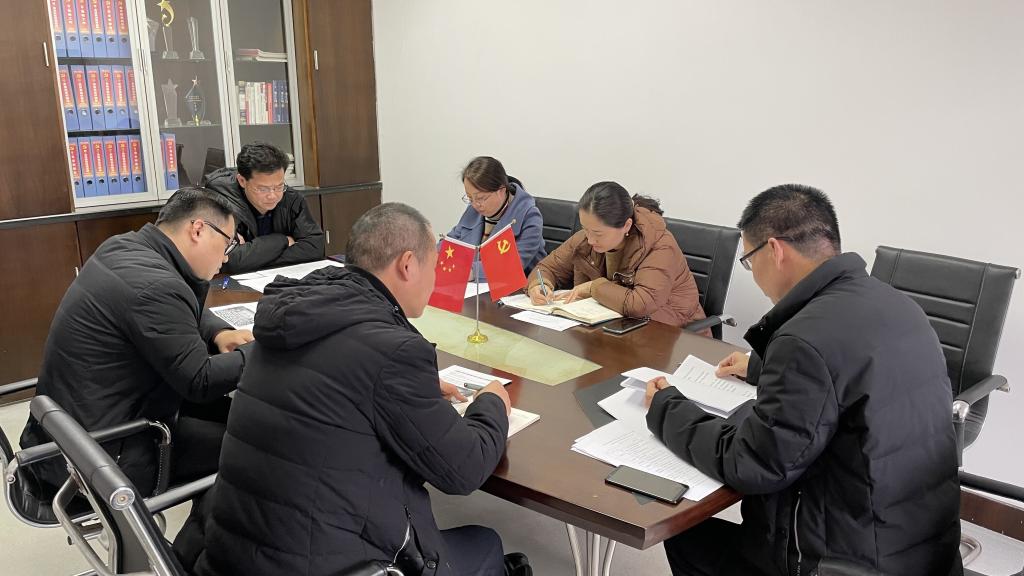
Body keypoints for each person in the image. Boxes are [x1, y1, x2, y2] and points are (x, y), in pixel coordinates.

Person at [184, 203, 519, 576]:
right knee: (487, 543)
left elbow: (337, 384)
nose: (437, 277)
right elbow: (464, 469)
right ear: (408, 265)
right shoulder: (392, 351)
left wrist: (411, 388)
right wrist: (491, 403)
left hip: (232, 555)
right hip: (319, 562)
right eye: (435, 265)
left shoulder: (293, 315)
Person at [645, 185, 961, 575]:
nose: (753, 275)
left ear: (774, 250)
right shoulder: (897, 305)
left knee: (685, 536)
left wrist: (667, 408)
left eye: (749, 261)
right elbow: (848, 372)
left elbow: (753, 464)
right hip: (924, 549)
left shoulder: (803, 339)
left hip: (839, 563)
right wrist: (761, 366)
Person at [20, 187, 254, 498]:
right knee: (258, 447)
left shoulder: (123, 248)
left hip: (70, 436)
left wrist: (218, 333)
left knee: (241, 418)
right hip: (104, 459)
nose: (225, 257)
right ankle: (206, 528)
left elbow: (172, 313)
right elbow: (200, 381)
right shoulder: (156, 285)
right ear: (198, 230)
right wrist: (262, 350)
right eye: (227, 243)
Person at [526, 181, 706, 328]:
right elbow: (547, 268)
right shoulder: (586, 239)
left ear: (626, 226)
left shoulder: (659, 245)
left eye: (598, 233)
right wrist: (540, 285)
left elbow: (641, 303)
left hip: (673, 335)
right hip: (615, 330)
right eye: (585, 229)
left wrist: (593, 288)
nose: (590, 239)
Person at [203, 141, 324, 274]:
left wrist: (253, 259)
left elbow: (315, 247)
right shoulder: (221, 202)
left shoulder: (292, 199)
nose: (273, 195)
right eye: (263, 189)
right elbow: (228, 260)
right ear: (242, 181)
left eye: (279, 186)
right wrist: (282, 241)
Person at [446, 156, 546, 279]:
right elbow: (452, 241)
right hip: (475, 285)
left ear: (501, 190)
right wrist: (434, 256)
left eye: (481, 198)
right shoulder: (474, 209)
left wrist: (470, 271)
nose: (475, 204)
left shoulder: (529, 216)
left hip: (521, 287)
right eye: (470, 198)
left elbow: (513, 264)